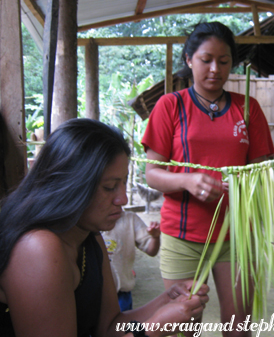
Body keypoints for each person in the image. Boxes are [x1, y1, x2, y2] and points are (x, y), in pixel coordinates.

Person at [0, 118, 209, 337]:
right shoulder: (37, 248)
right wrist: (151, 331)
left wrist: (166, 301)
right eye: (109, 187)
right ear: (69, 185)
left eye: (122, 183)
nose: (122, 199)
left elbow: (110, 326)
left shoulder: (90, 235)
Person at [142, 21, 274, 336]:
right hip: (182, 235)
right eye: (206, 59)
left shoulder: (248, 109)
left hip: (238, 235)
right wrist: (188, 181)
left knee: (238, 330)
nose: (215, 68)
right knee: (183, 329)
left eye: (224, 60)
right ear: (189, 60)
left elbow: (260, 172)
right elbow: (152, 173)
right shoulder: (169, 106)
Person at [102, 210, 161, 311]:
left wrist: (155, 237)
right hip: (94, 292)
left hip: (122, 292)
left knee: (122, 325)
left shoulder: (130, 219)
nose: (122, 199)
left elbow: (151, 251)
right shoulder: (85, 219)